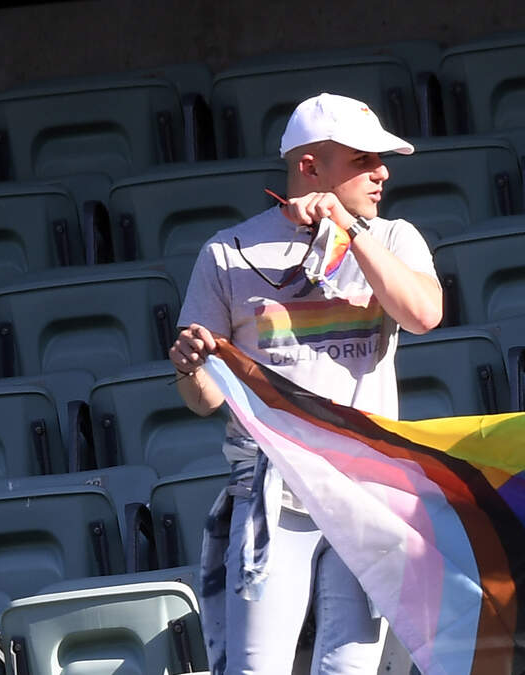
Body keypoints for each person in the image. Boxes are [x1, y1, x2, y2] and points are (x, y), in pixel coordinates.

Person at [169, 92, 442, 674]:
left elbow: (424, 314)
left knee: (348, 669)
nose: (382, 171)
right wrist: (191, 368)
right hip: (269, 494)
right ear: (308, 166)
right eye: (363, 160)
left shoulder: (393, 238)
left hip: (366, 491)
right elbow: (205, 400)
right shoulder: (227, 251)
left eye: (381, 159)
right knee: (256, 669)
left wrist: (350, 231)